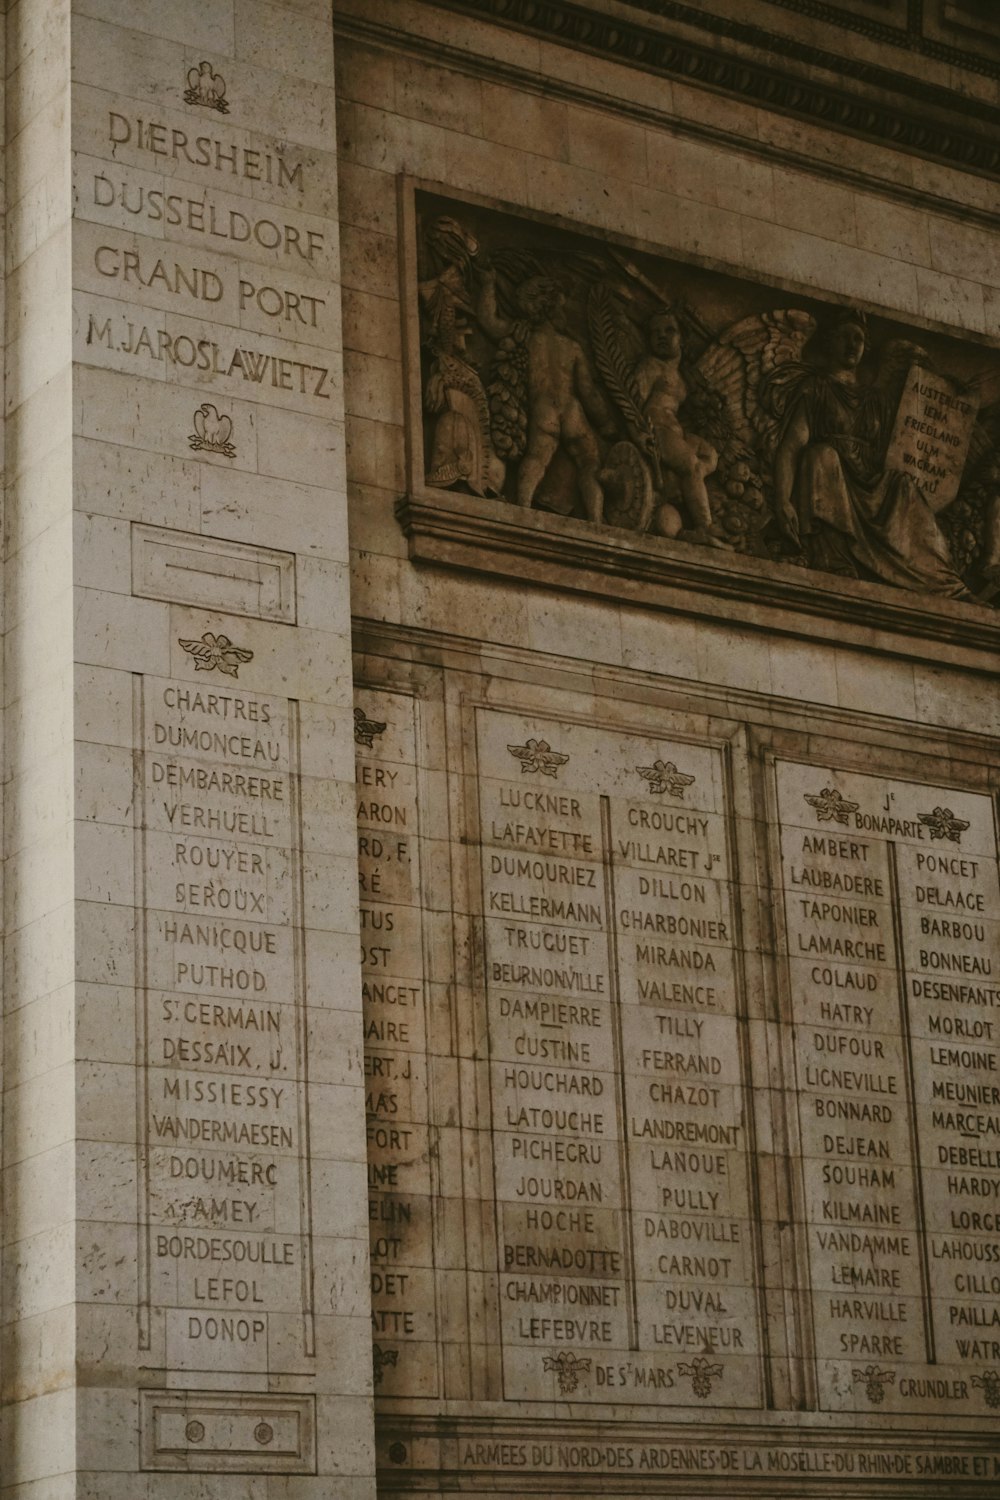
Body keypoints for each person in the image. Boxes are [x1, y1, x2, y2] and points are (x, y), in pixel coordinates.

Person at [767, 310, 969, 598]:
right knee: (821, 455)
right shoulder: (817, 388)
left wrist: (953, 391)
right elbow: (791, 446)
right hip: (831, 479)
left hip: (869, 482)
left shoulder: (875, 399)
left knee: (904, 486)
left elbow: (921, 416)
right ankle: (833, 560)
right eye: (845, 337)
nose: (852, 344)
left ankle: (944, 581)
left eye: (858, 338)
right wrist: (782, 500)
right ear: (829, 342)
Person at [478, 269, 614, 522]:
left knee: (537, 459)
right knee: (590, 462)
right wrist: (606, 422)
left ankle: (524, 506)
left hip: (543, 409)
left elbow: (488, 322)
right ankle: (596, 519)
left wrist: (488, 285)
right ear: (552, 309)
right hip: (572, 409)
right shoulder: (572, 347)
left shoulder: (524, 337)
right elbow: (588, 392)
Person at [632, 309, 723, 544]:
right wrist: (638, 434)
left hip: (677, 432)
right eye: (654, 332)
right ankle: (705, 526)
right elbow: (633, 403)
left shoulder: (681, 376)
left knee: (710, 456)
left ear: (682, 337)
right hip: (657, 430)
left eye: (669, 330)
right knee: (692, 465)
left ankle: (687, 486)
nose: (661, 336)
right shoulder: (650, 366)